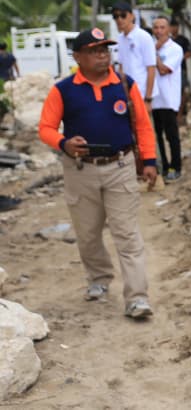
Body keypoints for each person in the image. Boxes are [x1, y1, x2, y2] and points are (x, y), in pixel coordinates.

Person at [38, 27, 157, 319]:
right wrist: (64, 143)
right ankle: (99, 279)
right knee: (88, 234)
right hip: (80, 171)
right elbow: (45, 128)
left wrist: (150, 161)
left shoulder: (125, 85)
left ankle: (137, 298)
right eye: (94, 50)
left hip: (120, 166)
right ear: (78, 57)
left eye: (105, 49)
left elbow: (142, 125)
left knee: (127, 234)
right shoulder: (63, 90)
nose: (102, 55)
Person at [151, 16, 184, 182]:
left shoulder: (175, 49)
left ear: (169, 29)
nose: (159, 31)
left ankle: (176, 167)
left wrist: (153, 53)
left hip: (168, 100)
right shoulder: (150, 47)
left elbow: (164, 70)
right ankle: (164, 167)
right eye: (156, 28)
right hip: (153, 99)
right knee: (157, 137)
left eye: (162, 27)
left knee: (172, 136)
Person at [111, 1, 157, 111]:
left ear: (132, 16)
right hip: (127, 93)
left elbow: (151, 68)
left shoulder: (143, 37)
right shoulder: (120, 38)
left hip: (142, 93)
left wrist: (148, 99)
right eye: (116, 16)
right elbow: (121, 67)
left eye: (123, 15)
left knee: (145, 127)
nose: (119, 19)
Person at [169, 19, 191, 122]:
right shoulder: (167, 41)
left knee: (181, 92)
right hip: (169, 71)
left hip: (181, 70)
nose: (173, 28)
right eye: (171, 26)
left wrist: (178, 59)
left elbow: (189, 53)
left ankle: (179, 114)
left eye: (175, 26)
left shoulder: (183, 40)